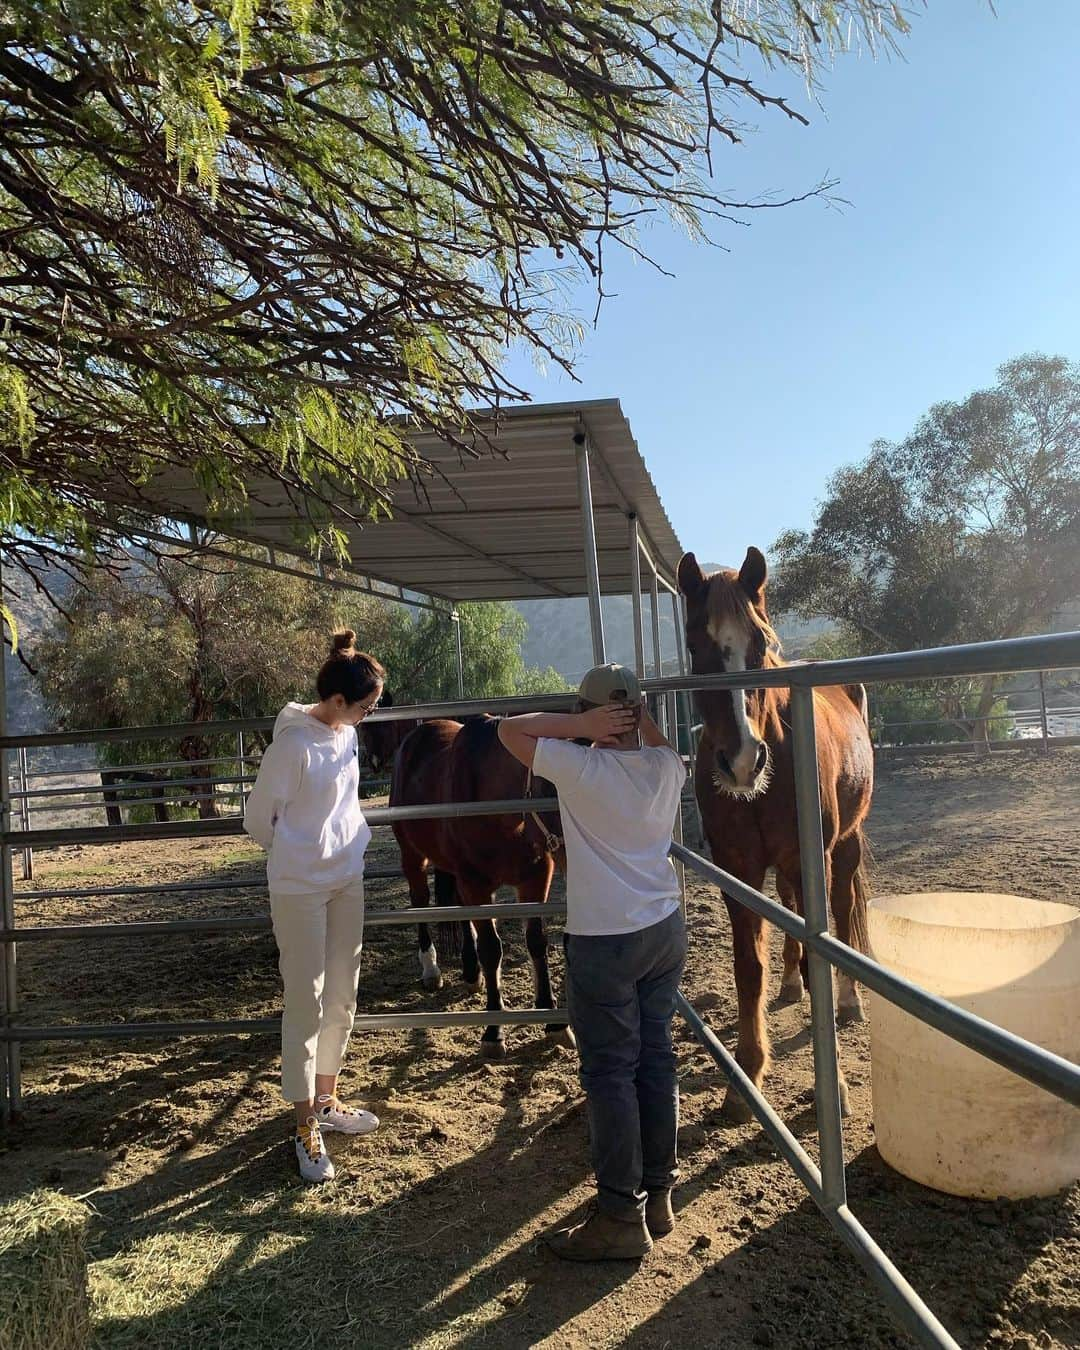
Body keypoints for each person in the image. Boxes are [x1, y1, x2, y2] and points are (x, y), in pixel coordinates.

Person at [498, 664, 687, 1260]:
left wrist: (578, 724)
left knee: (609, 1073)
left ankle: (619, 1218)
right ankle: (659, 1195)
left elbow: (509, 730)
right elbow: (662, 743)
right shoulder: (666, 767)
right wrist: (638, 720)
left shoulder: (579, 766)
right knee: (656, 1058)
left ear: (592, 713)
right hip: (664, 928)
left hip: (604, 939)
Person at [244, 629, 385, 1183]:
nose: (369, 715)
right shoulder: (292, 747)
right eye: (366, 707)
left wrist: (333, 850)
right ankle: (304, 1123)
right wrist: (298, 852)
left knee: (343, 992)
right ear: (336, 702)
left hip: (346, 878)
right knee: (306, 998)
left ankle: (326, 1099)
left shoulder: (343, 732)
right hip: (300, 887)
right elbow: (258, 821)